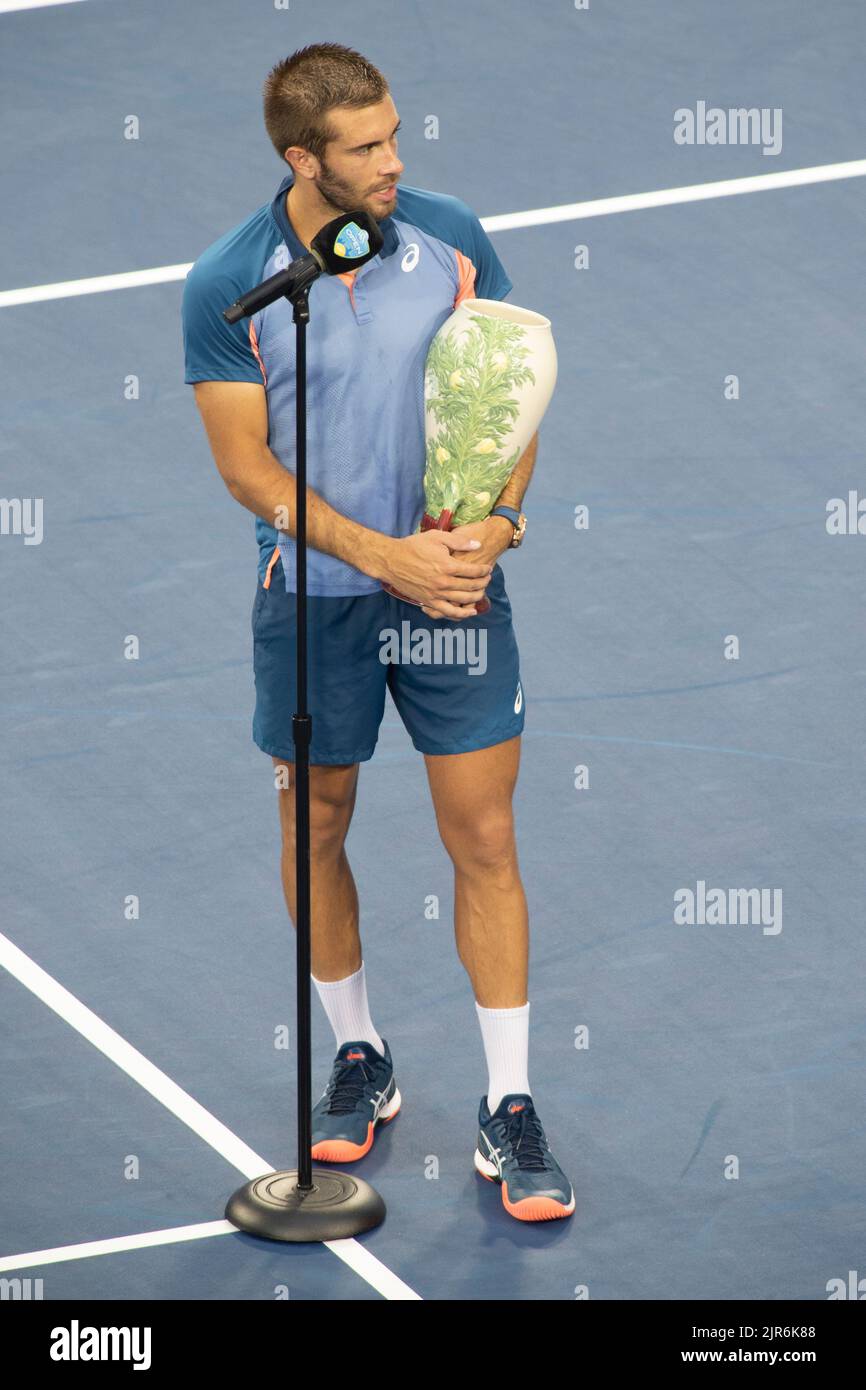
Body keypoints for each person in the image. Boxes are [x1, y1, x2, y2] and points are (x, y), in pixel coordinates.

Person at [182, 42, 573, 1222]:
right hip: (315, 603)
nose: (394, 162)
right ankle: (358, 1055)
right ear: (303, 158)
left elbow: (513, 391)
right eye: (365, 148)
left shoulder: (451, 236)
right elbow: (247, 471)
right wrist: (376, 552)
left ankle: (508, 1105)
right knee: (318, 819)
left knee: (485, 834)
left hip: (452, 591)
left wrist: (495, 527)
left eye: (395, 135)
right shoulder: (231, 282)